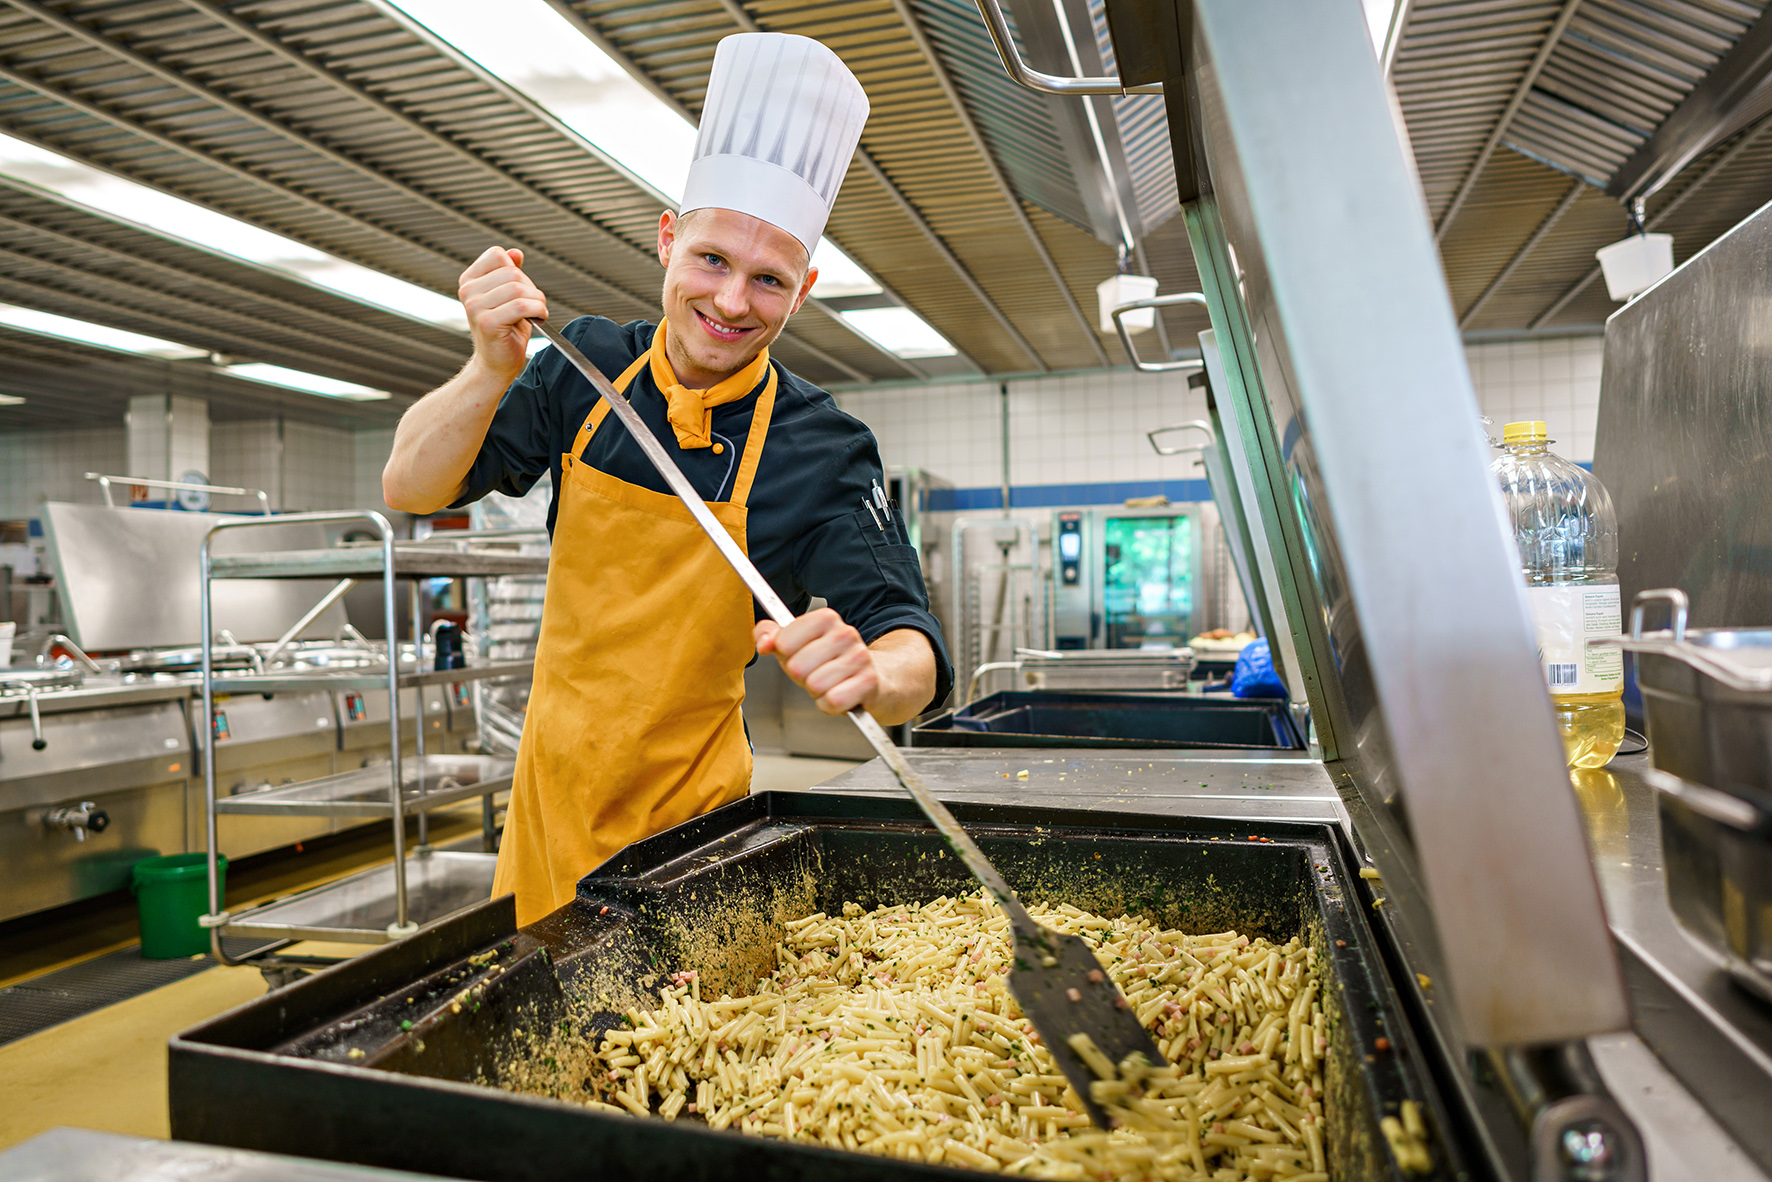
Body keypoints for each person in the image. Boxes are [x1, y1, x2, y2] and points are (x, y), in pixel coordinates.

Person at [382, 32, 952, 926]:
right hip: (547, 806)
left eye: (768, 280)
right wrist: (488, 367)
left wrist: (873, 676)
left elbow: (911, 645)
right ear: (667, 241)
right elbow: (410, 487)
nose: (732, 303)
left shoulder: (822, 447)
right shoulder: (581, 373)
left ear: (803, 290)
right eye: (713, 261)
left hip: (694, 831)